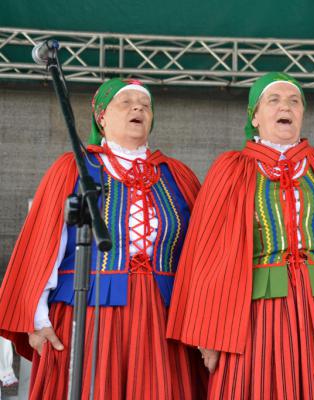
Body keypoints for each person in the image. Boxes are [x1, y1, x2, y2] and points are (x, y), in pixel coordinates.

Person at [166, 72, 314, 399]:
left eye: (294, 101)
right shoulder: (231, 168)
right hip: (255, 311)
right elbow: (209, 253)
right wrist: (209, 331)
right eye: (273, 100)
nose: (285, 106)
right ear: (255, 116)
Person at [0, 78, 204, 399]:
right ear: (101, 116)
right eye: (126, 102)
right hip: (89, 309)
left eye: (145, 104)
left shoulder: (177, 175)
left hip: (162, 316)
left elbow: (201, 254)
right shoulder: (76, 168)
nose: (138, 107)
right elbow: (45, 245)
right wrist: (37, 317)